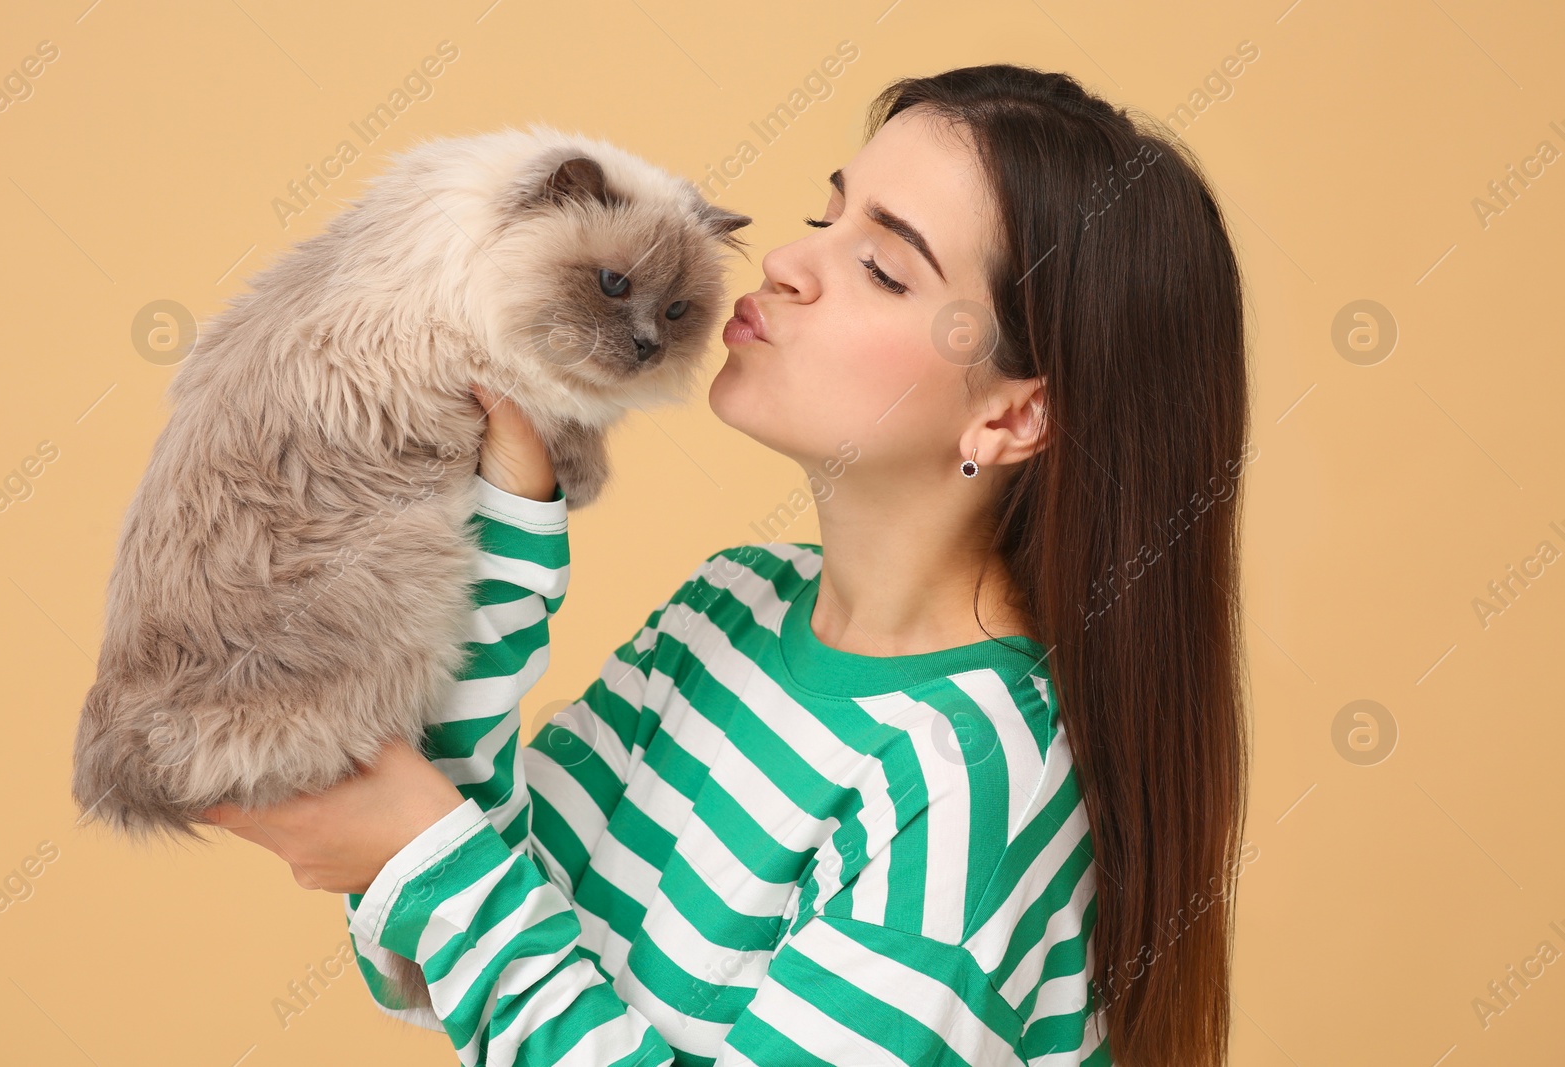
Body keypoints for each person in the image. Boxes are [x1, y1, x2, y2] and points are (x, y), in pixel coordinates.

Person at [202, 63, 1252, 1067]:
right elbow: (432, 957)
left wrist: (420, 846)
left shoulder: (970, 777)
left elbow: (447, 881)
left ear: (1016, 411)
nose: (787, 265)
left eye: (883, 267)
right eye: (824, 215)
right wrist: (510, 525)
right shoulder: (729, 607)